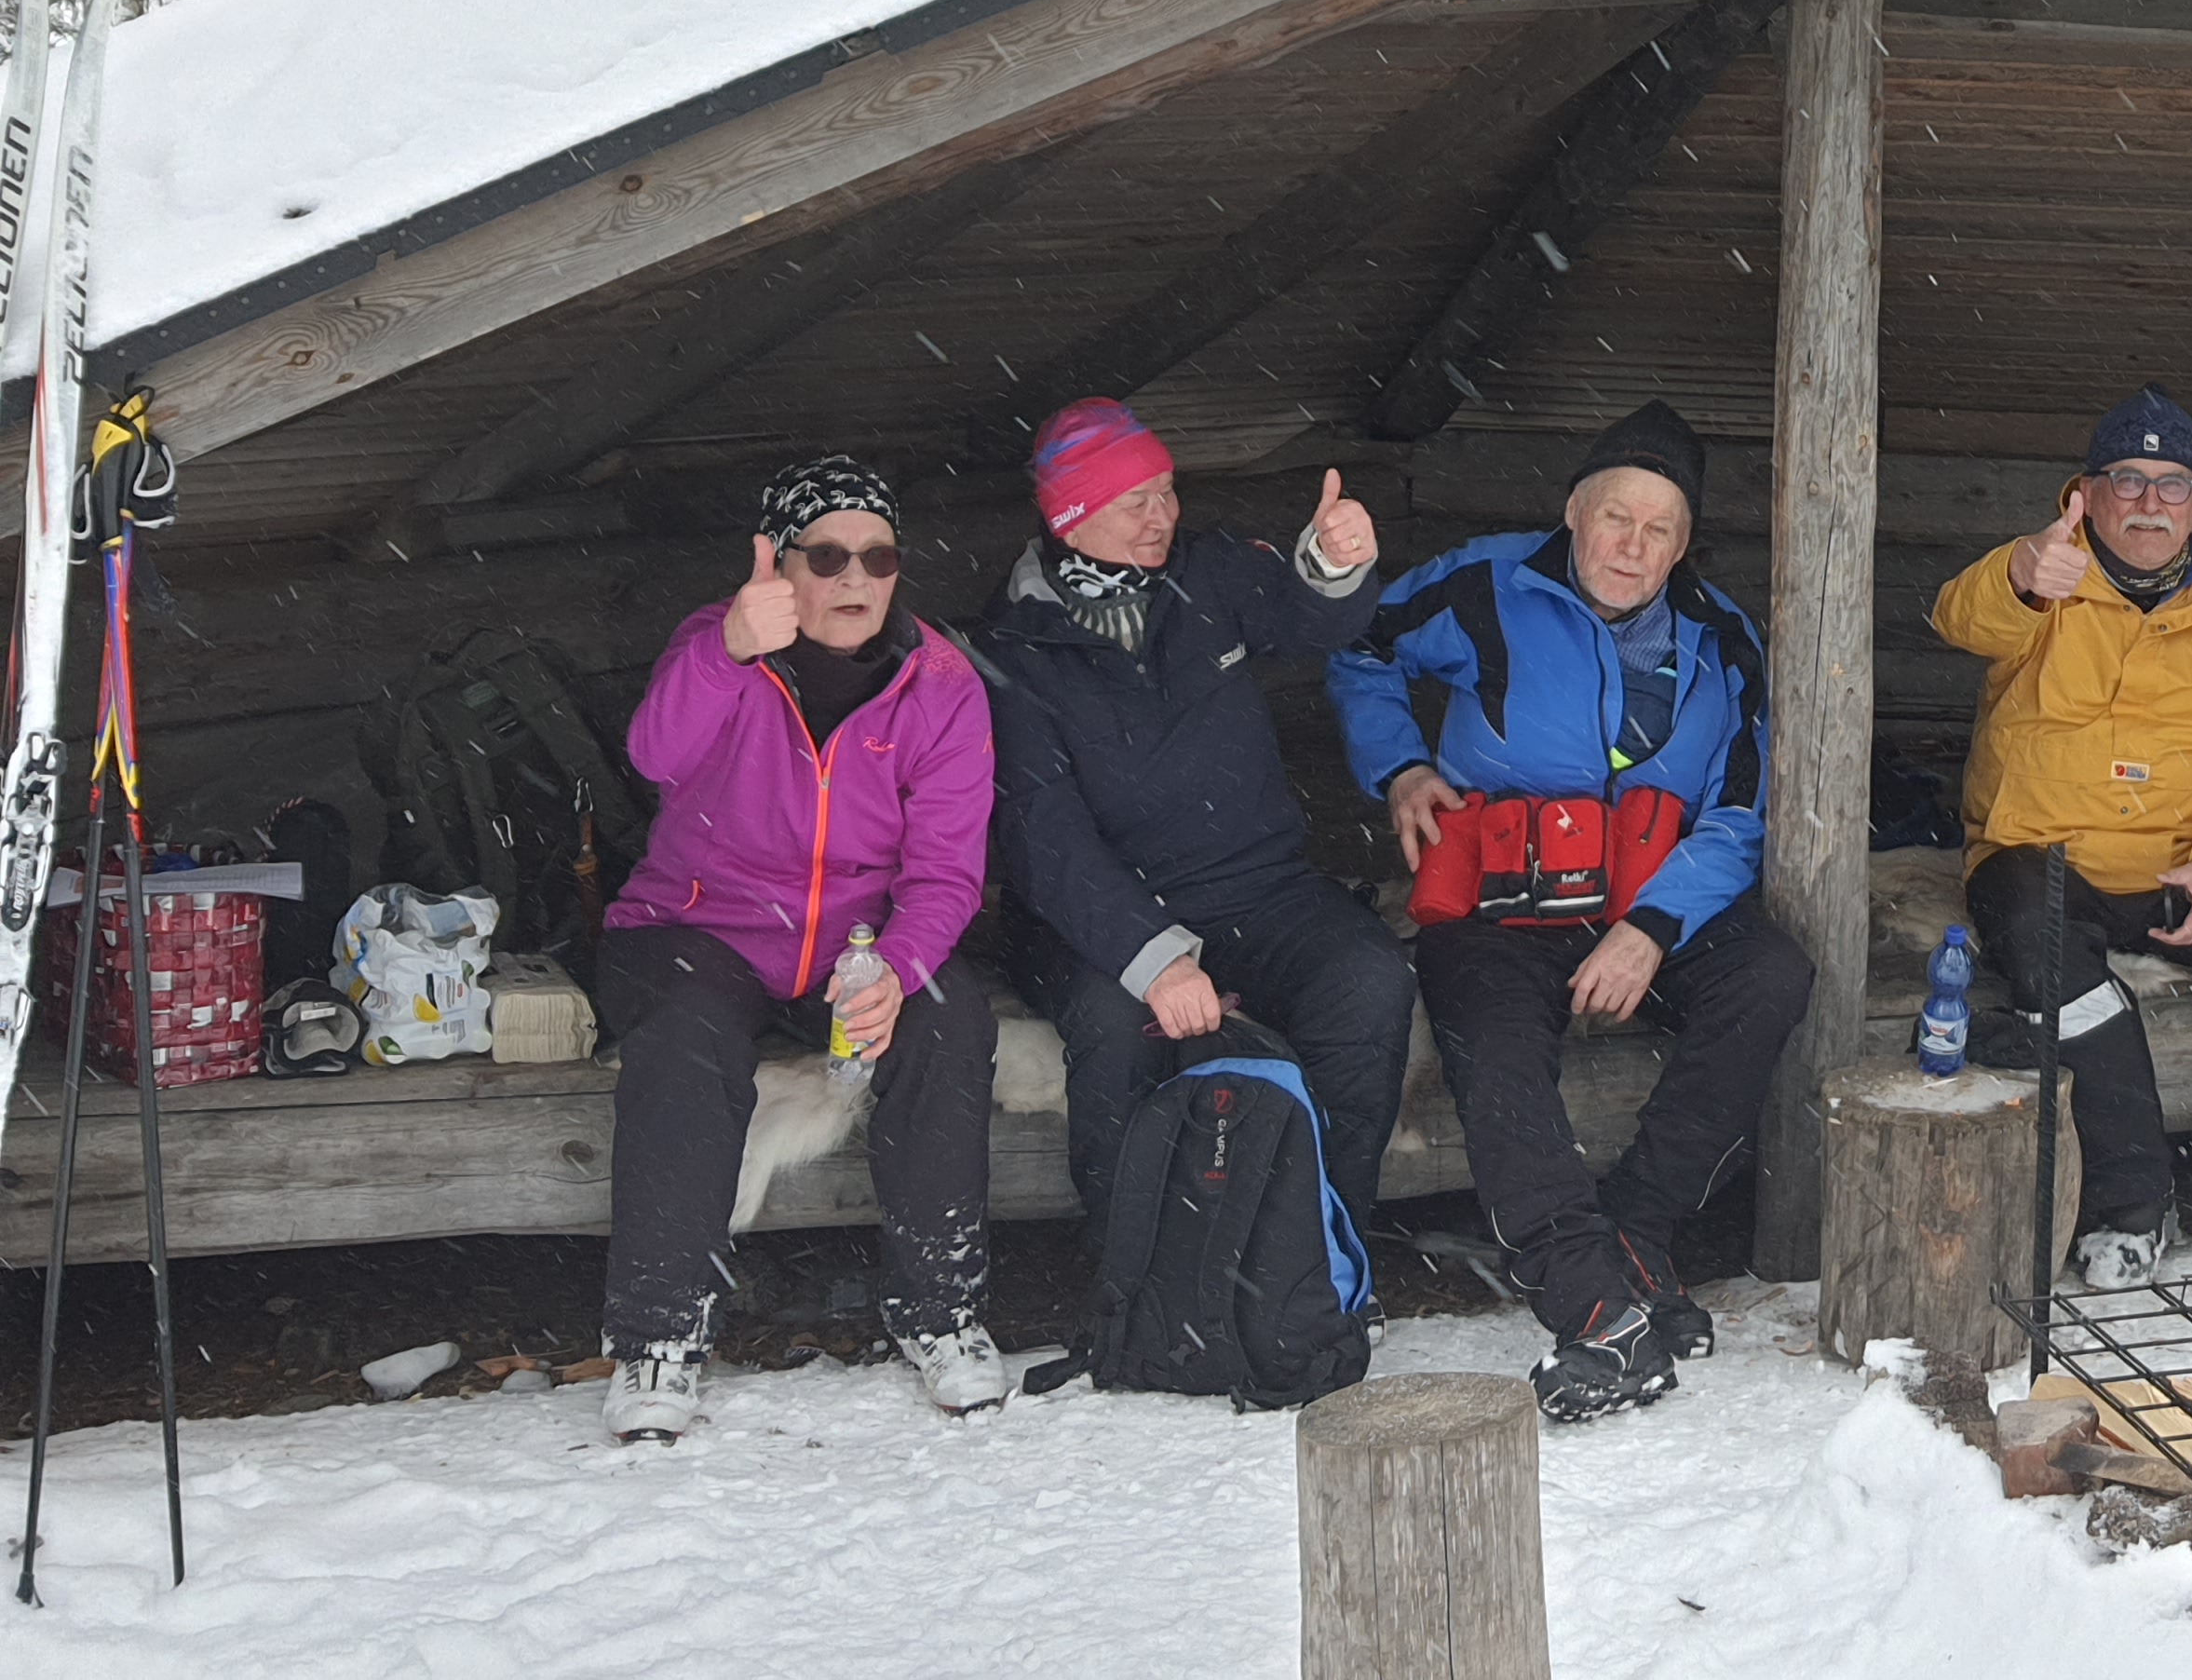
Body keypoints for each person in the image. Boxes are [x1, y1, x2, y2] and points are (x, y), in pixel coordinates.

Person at [1331, 401, 1812, 1424]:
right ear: (1573, 513)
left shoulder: (1723, 637)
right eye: (1615, 519)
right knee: (1496, 1046)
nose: (1632, 547)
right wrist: (1402, 766)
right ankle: (1593, 1300)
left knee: (1771, 976)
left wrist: (1652, 928)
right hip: (1502, 901)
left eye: (1660, 530)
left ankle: (1640, 1227)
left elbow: (1738, 808)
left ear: (1684, 547)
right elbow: (1360, 643)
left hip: (1645, 898)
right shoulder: (1488, 583)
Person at [594, 457, 1002, 1440]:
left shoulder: (940, 684)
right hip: (699, 928)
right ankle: (660, 1336)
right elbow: (653, 755)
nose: (855, 578)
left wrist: (896, 974)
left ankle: (941, 1311)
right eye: (827, 555)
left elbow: (947, 872)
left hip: (853, 946)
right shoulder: (719, 647)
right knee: (688, 1039)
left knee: (954, 1025)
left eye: (877, 555)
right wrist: (729, 649)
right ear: (779, 561)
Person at [1932, 386, 2192, 1286]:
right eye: (2129, 481)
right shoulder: (2044, 576)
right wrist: (2017, 571)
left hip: (2182, 871)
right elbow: (1958, 617)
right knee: (2028, 921)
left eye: (2173, 485)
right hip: (2054, 867)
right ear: (2085, 494)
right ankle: (2132, 1200)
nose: (2150, 503)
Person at [984, 398, 1413, 1253]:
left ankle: (1315, 1256)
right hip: (1096, 921)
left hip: (1261, 888)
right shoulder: (1014, 648)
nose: (1163, 516)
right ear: (1070, 515)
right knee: (1117, 1027)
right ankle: (1138, 1276)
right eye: (1133, 501)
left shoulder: (1205, 574)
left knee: (1369, 978)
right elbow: (1046, 840)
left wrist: (1332, 561)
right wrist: (1157, 959)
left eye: (1167, 491)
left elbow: (1310, 617)